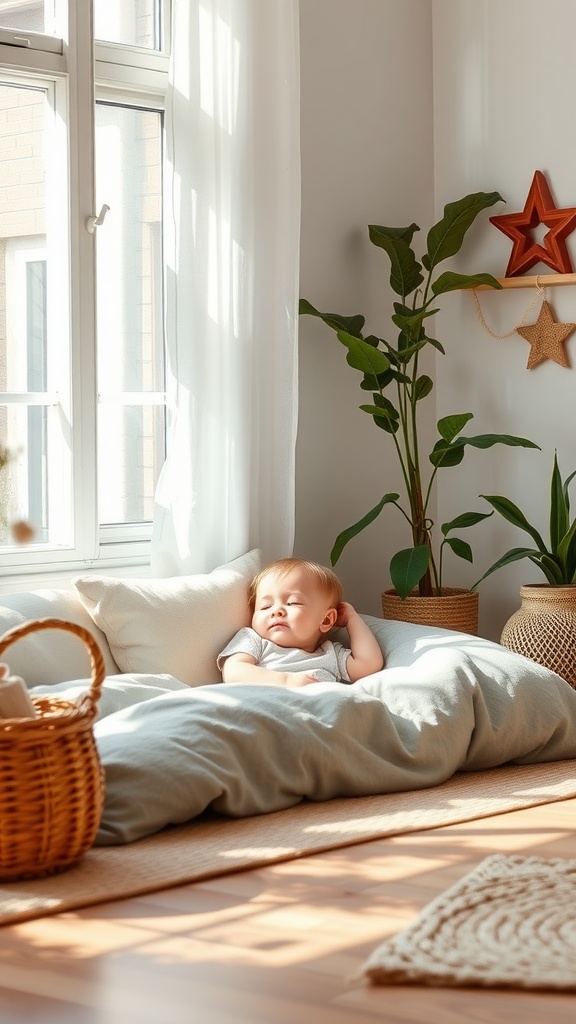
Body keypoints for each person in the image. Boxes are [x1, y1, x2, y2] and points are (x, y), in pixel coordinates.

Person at [217, 557, 384, 688]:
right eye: (266, 606)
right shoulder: (254, 641)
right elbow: (233, 671)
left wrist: (352, 619)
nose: (277, 611)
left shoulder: (329, 654)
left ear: (326, 620)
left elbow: (369, 664)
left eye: (292, 603)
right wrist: (286, 681)